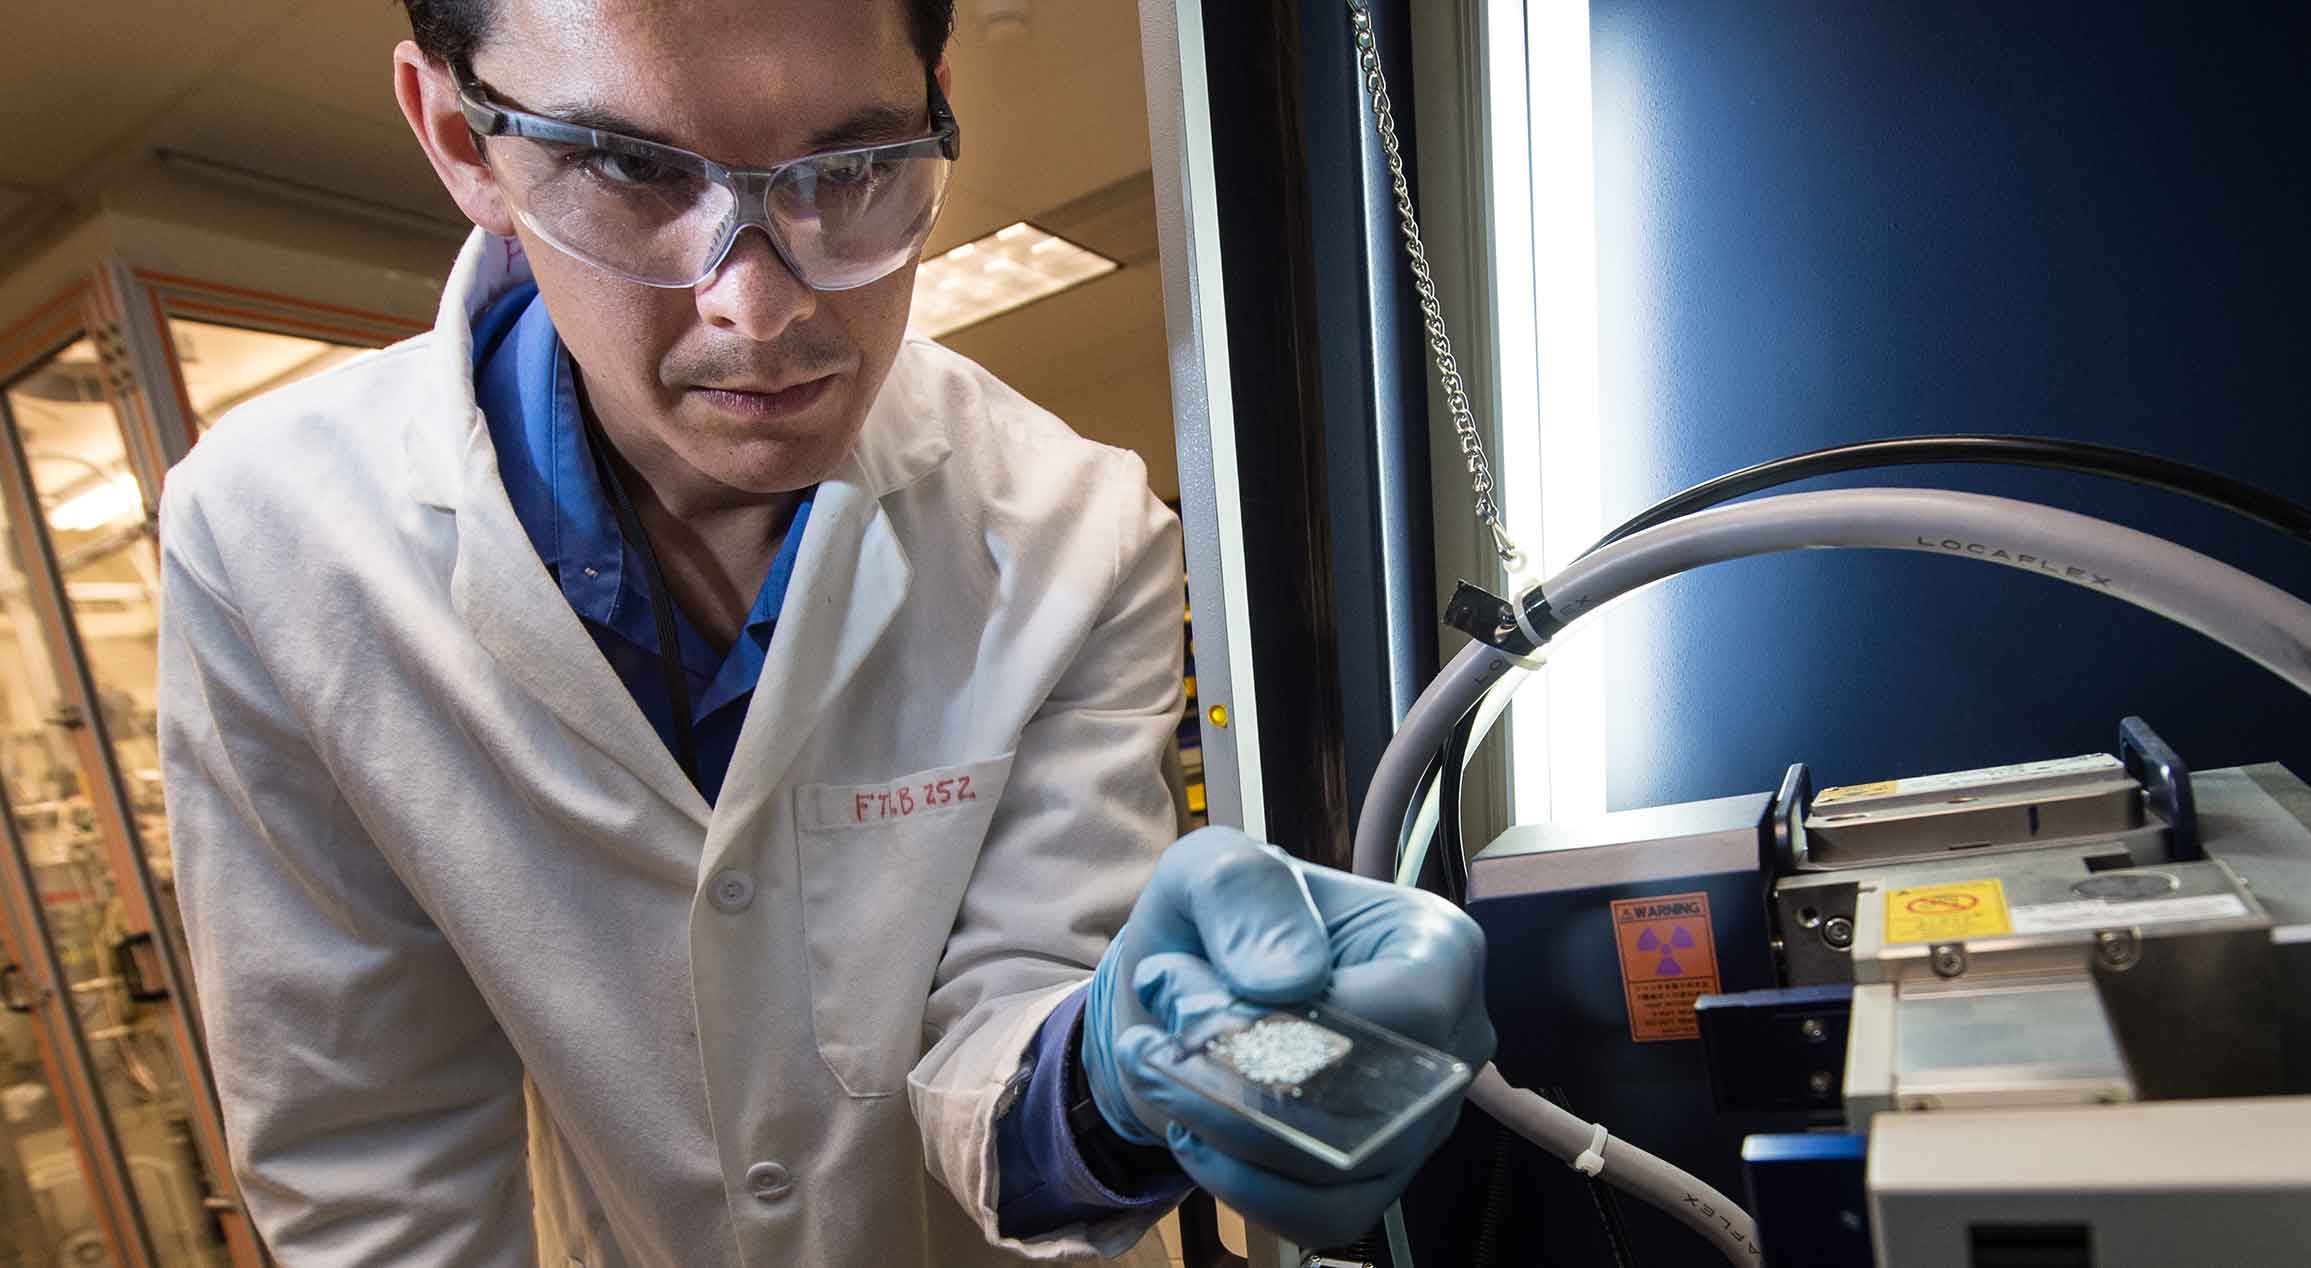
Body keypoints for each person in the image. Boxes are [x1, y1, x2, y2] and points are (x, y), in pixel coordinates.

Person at [152, 1, 1491, 1263]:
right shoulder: (274, 539)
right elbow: (375, 1170)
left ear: (935, 102)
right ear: (462, 139)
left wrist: (1114, 1073)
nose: (761, 302)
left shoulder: (1072, 525)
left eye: (849, 171)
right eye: (633, 171)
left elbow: (1005, 1041)